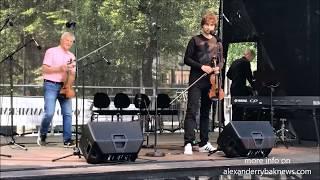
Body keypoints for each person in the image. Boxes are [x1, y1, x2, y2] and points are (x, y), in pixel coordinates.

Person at [183, 12, 224, 155]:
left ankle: (204, 142)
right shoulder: (194, 40)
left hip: (211, 82)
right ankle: (188, 142)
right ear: (202, 25)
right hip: (196, 79)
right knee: (192, 110)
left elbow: (221, 60)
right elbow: (187, 59)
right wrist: (202, 67)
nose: (209, 27)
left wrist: (218, 68)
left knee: (206, 112)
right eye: (207, 24)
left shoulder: (217, 42)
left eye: (212, 25)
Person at [37, 32, 76, 147]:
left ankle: (67, 139)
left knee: (68, 113)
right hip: (51, 85)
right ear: (61, 40)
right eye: (67, 40)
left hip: (65, 86)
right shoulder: (51, 51)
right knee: (49, 113)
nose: (68, 43)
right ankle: (42, 134)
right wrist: (60, 68)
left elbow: (72, 74)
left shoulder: (72, 56)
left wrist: (68, 86)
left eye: (71, 41)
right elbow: (44, 69)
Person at [227, 49, 256, 120]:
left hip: (233, 88)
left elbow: (228, 75)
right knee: (241, 108)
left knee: (235, 108)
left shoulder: (234, 62)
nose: (252, 60)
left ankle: (234, 125)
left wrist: (235, 78)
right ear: (249, 55)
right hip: (241, 88)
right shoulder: (246, 62)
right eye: (252, 58)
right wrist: (255, 88)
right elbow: (249, 77)